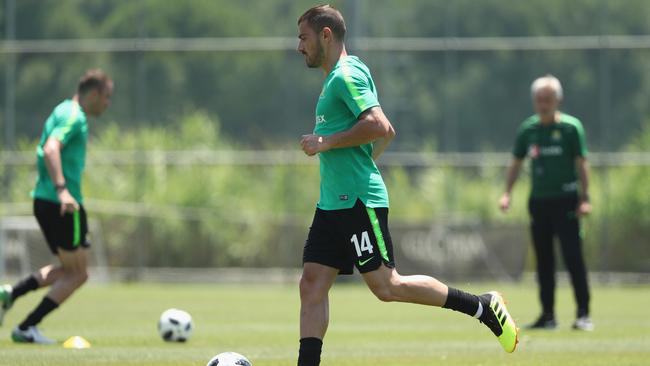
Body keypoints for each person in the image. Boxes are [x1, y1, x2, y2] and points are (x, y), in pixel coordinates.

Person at [296, 5, 518, 365]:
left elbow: (379, 125)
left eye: (303, 38)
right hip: (332, 204)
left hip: (355, 202)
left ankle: (482, 306)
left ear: (325, 35)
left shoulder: (345, 75)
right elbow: (387, 133)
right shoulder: (338, 75)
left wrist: (328, 143)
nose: (298, 47)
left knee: (387, 286)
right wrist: (359, 159)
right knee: (312, 283)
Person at [0, 69, 113, 343]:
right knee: (78, 274)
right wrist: (63, 191)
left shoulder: (61, 109)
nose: (107, 104)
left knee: (68, 270)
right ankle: (27, 327)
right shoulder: (75, 117)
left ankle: (10, 295)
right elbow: (51, 148)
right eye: (107, 97)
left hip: (44, 200)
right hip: (64, 204)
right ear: (95, 93)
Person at [499, 75, 593, 331]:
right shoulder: (528, 130)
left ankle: (583, 314)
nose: (543, 104)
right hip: (539, 203)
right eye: (539, 99)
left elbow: (581, 163)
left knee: (573, 257)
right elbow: (516, 163)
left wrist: (586, 198)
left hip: (567, 201)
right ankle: (547, 315)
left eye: (548, 99)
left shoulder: (571, 128)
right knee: (543, 261)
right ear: (534, 101)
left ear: (558, 100)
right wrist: (507, 193)